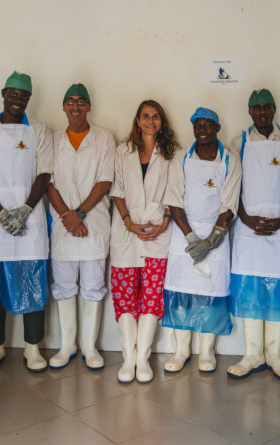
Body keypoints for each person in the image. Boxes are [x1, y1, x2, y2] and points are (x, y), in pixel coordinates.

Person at [0, 71, 53, 374]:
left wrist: (26, 209)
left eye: (24, 96)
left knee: (33, 284)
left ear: (29, 99)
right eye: (13, 94)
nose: (18, 100)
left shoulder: (39, 130)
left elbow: (44, 173)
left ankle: (33, 348)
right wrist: (2, 214)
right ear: (4, 93)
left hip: (30, 222)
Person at [227, 89, 280, 380]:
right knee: (249, 290)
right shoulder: (239, 143)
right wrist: (245, 219)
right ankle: (252, 354)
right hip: (247, 229)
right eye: (256, 108)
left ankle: (274, 354)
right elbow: (231, 186)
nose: (262, 112)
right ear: (249, 111)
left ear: (274, 109)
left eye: (266, 107)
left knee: (278, 291)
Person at [162, 107, 241, 373]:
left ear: (217, 128)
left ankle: (206, 351)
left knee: (211, 293)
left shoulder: (229, 159)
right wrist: (191, 237)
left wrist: (209, 242)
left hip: (215, 235)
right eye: (198, 126)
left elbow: (229, 204)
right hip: (184, 233)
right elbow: (173, 200)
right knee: (181, 292)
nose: (203, 130)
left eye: (208, 125)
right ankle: (181, 350)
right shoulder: (181, 158)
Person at [47, 83, 116, 370]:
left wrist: (80, 213)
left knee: (92, 287)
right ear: (63, 106)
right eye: (70, 102)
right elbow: (47, 181)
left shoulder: (104, 138)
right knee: (64, 287)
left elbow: (105, 180)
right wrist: (68, 216)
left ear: (88, 106)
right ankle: (67, 346)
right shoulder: (52, 140)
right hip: (64, 225)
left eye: (81, 102)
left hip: (94, 224)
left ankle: (90, 348)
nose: (75, 106)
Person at [110, 100, 177, 383]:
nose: (151, 121)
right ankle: (128, 358)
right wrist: (128, 222)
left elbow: (176, 193)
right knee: (125, 296)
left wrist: (163, 223)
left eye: (156, 117)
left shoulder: (173, 155)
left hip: (157, 234)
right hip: (126, 232)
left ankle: (142, 359)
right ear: (138, 121)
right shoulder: (122, 152)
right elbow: (117, 191)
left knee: (151, 295)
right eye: (145, 116)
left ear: (161, 122)